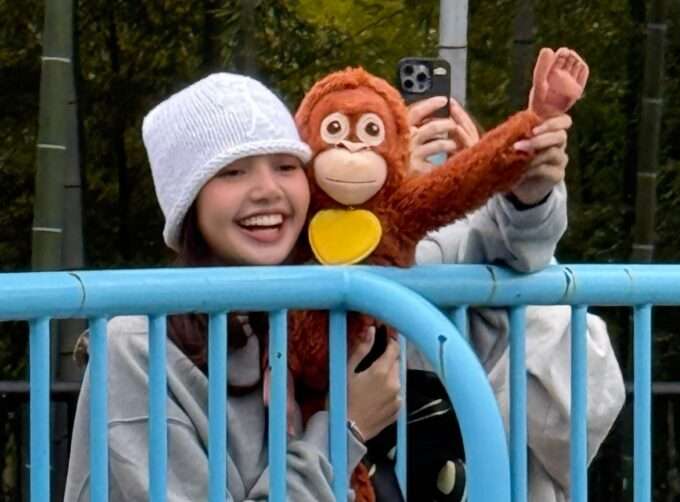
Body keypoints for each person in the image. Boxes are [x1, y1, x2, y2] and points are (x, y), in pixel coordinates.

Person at [64, 73, 402, 501]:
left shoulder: (324, 317)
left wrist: (491, 188)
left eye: (286, 166)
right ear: (188, 201)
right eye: (232, 172)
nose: (268, 191)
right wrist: (344, 429)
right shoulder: (136, 347)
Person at [408, 96, 626, 501]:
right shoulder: (338, 269)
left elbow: (577, 423)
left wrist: (505, 188)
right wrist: (391, 198)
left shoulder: (533, 294)